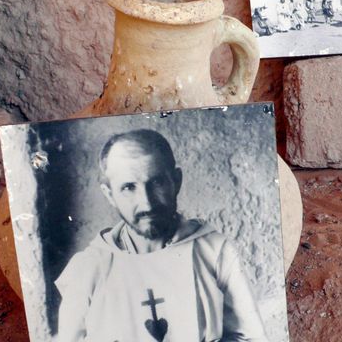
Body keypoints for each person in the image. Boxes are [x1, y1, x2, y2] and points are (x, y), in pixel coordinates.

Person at [55, 129, 268, 342]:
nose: (147, 203)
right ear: (110, 194)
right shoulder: (89, 268)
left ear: (176, 181)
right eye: (129, 187)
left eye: (156, 183)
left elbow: (251, 338)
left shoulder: (214, 252)